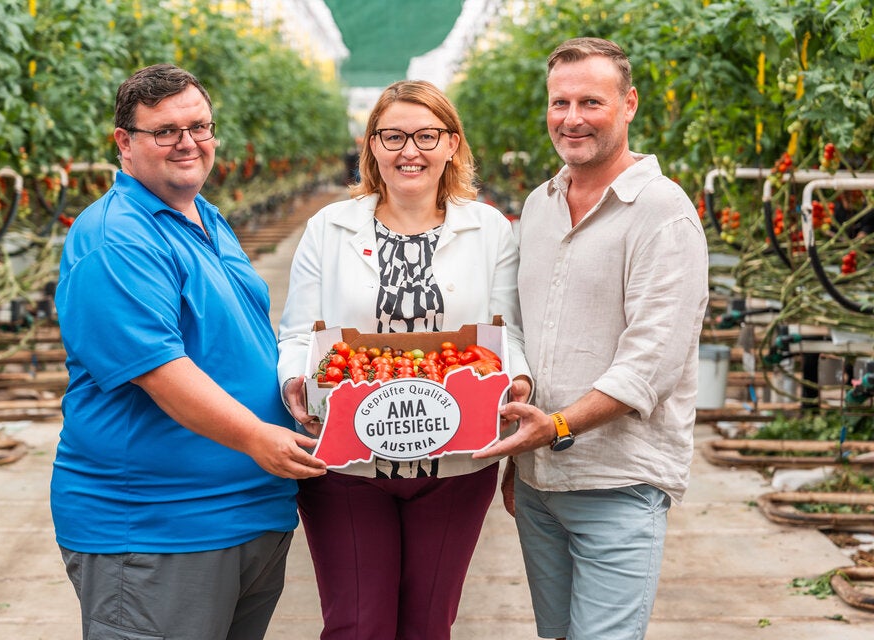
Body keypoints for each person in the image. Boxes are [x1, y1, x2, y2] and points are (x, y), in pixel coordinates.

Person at [51, 63, 326, 640]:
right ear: (124, 142)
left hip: (248, 512)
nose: (187, 142)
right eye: (165, 131)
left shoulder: (206, 217)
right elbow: (159, 370)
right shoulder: (116, 236)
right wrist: (256, 436)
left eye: (199, 127)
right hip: (160, 528)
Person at [277, 79, 533, 639]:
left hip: (455, 461)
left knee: (428, 624)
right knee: (357, 624)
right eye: (392, 136)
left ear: (452, 143)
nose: (409, 151)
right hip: (348, 460)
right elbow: (298, 332)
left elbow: (505, 331)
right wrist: (296, 379)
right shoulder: (329, 227)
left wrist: (516, 378)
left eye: (426, 136)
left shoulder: (490, 229)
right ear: (371, 144)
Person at [473, 38, 709, 640]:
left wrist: (553, 427)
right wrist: (521, 457)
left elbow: (649, 366)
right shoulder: (540, 205)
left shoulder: (662, 213)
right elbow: (521, 330)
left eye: (591, 102)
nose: (572, 118)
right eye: (560, 102)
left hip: (617, 483)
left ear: (629, 104)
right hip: (539, 485)